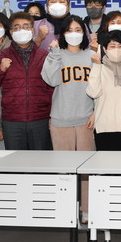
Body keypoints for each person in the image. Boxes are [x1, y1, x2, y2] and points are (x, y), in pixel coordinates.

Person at [0, 12, 54, 150]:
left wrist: (51, 116)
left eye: (26, 27)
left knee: (42, 160)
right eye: (16, 27)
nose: (21, 30)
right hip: (12, 121)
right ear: (10, 32)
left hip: (40, 119)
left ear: (33, 31)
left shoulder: (45, 56)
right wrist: (0, 69)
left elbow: (52, 89)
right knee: (16, 160)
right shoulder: (1, 56)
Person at [41, 15, 95, 151]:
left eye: (78, 30)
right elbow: (52, 81)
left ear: (84, 33)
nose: (74, 34)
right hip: (61, 121)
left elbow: (99, 88)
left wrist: (96, 113)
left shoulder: (92, 56)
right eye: (69, 30)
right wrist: (55, 54)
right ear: (63, 33)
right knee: (63, 163)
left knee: (87, 162)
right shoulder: (55, 55)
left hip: (87, 120)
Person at [87, 30, 121, 151]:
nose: (117, 50)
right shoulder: (99, 68)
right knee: (106, 162)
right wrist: (96, 65)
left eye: (120, 46)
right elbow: (93, 92)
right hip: (105, 127)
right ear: (104, 49)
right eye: (112, 46)